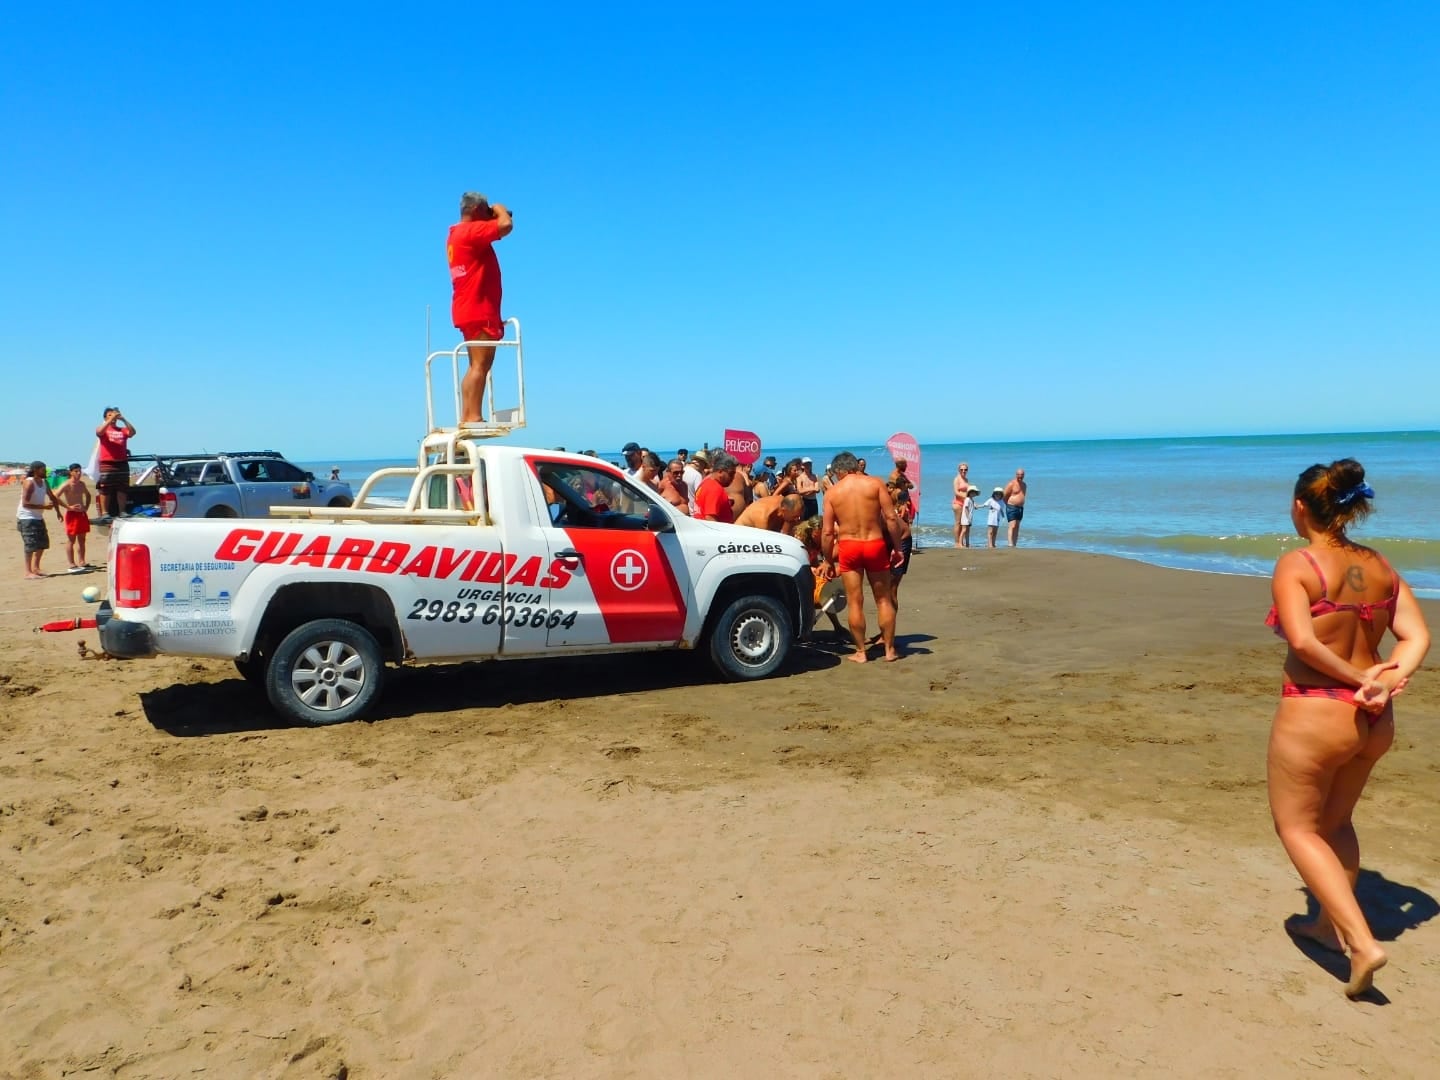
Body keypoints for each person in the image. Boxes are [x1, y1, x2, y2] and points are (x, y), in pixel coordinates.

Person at [1265, 459, 1429, 999]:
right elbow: (1416, 636)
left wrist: (1363, 677)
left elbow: (1304, 642)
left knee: (1297, 828)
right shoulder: (1379, 565)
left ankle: (1360, 942)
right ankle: (1327, 928)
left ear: (1299, 507)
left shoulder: (1299, 563)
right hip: (1372, 718)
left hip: (1317, 709)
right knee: (1335, 822)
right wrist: (1387, 680)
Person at [821, 451, 904, 662]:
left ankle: (860, 652)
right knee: (883, 599)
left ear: (839, 470)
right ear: (855, 466)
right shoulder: (875, 484)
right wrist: (897, 548)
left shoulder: (832, 492)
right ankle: (889, 651)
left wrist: (828, 560)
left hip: (849, 546)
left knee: (855, 601)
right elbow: (891, 518)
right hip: (874, 543)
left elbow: (828, 532)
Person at [447, 191, 513, 424]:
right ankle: (473, 415)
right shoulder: (470, 231)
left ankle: (468, 414)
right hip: (479, 308)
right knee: (481, 365)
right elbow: (505, 225)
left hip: (467, 307)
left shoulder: (457, 234)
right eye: (486, 213)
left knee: (475, 365)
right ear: (476, 211)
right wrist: (500, 208)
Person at [16, 461, 63, 579]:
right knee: (31, 545)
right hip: (26, 517)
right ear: (36, 470)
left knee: (42, 544)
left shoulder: (44, 482)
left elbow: (52, 497)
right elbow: (26, 503)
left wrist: (58, 512)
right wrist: (45, 507)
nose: (45, 471)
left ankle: (36, 568)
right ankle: (28, 572)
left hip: (38, 517)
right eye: (43, 469)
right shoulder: (29, 483)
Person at [94, 406, 136, 521]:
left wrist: (123, 419)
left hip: (122, 463)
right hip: (108, 463)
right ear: (105, 417)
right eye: (109, 415)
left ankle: (122, 511)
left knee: (122, 488)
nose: (113, 417)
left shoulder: (122, 430)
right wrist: (109, 420)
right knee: (105, 488)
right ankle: (105, 512)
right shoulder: (104, 429)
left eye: (114, 415)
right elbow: (99, 431)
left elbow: (132, 432)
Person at [54, 463, 94, 572]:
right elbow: (55, 496)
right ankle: (71, 563)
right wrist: (68, 507)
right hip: (72, 515)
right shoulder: (67, 484)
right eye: (76, 471)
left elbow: (88, 495)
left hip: (82, 514)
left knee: (82, 539)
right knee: (71, 540)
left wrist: (86, 506)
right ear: (71, 472)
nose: (78, 473)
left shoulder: (81, 484)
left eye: (80, 471)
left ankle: (82, 561)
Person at [693, 452, 737, 522]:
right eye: (731, 474)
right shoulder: (715, 489)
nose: (733, 478)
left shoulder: (705, 482)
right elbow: (710, 519)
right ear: (720, 471)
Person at [734, 493, 806, 534]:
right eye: (795, 516)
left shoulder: (783, 503)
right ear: (784, 510)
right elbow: (764, 544)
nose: (797, 519)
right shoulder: (763, 516)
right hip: (739, 535)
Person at [1003, 467, 1027, 546]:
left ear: (1024, 475)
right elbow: (1004, 495)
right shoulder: (1011, 484)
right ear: (1016, 475)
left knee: (1017, 526)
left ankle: (1014, 544)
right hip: (1011, 507)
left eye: (1022, 475)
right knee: (1012, 525)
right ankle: (1010, 544)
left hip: (1020, 508)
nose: (1020, 476)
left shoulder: (1024, 485)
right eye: (1018, 475)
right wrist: (1008, 505)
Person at [682, 452, 709, 516]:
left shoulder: (682, 470)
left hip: (683, 510)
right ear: (701, 463)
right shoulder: (697, 475)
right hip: (693, 512)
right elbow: (700, 496)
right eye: (704, 465)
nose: (704, 469)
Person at [951, 463, 970, 547]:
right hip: (958, 503)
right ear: (959, 470)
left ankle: (961, 542)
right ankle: (956, 543)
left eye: (965, 469)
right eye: (961, 469)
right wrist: (966, 497)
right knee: (958, 523)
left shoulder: (966, 480)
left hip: (965, 504)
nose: (963, 471)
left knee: (964, 524)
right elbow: (956, 492)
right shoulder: (957, 479)